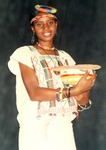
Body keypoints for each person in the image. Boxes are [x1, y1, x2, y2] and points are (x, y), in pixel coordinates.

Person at [8, 4, 96, 150]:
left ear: (56, 25)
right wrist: (74, 91)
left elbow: (82, 100)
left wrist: (87, 85)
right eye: (39, 24)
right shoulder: (25, 53)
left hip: (63, 128)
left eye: (50, 23)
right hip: (35, 128)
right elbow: (35, 93)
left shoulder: (66, 58)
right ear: (32, 28)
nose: (46, 28)